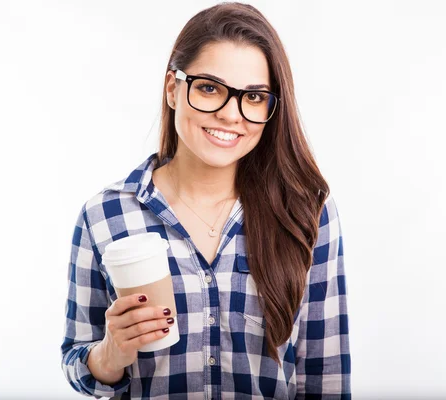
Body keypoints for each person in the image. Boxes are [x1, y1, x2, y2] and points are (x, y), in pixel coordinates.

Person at [61, 2, 351, 399]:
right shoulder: (105, 216)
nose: (231, 115)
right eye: (209, 88)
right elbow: (78, 361)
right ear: (172, 90)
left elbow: (325, 375)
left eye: (253, 96)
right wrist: (111, 355)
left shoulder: (305, 212)